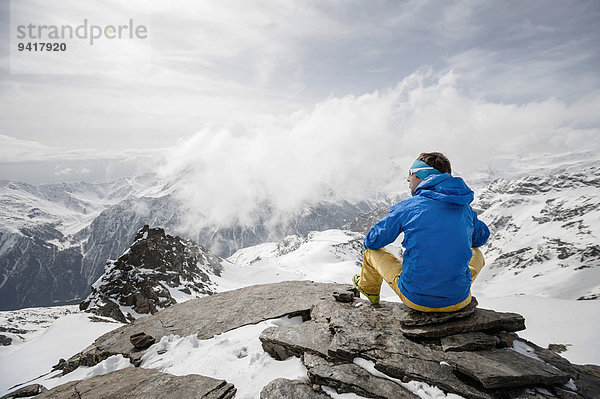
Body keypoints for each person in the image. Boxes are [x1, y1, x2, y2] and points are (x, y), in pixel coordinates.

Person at [352, 152, 490, 312]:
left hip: (416, 299)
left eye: (411, 173)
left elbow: (372, 241)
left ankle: (369, 290)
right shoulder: (465, 208)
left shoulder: (408, 207)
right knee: (477, 253)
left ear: (423, 176)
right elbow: (481, 238)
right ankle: (453, 287)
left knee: (371, 253)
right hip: (459, 299)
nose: (408, 179)